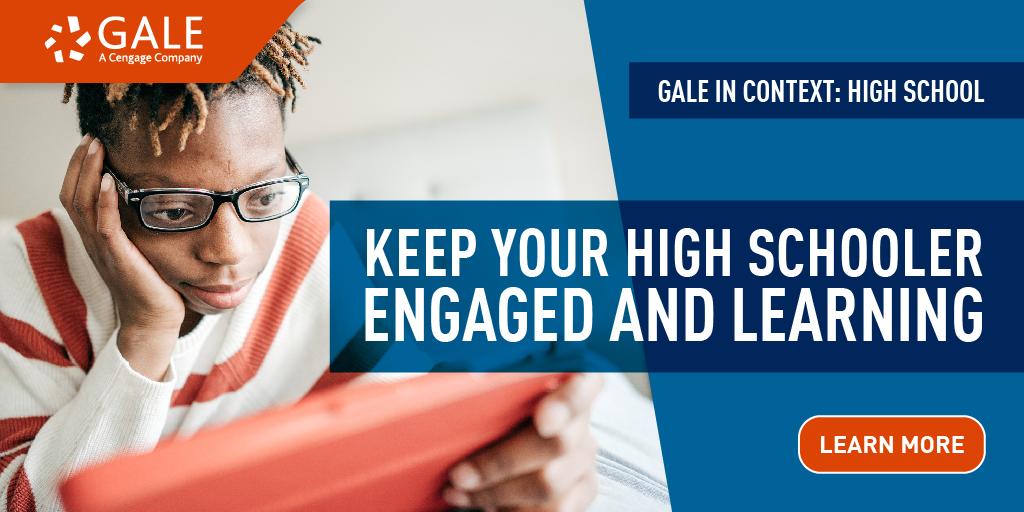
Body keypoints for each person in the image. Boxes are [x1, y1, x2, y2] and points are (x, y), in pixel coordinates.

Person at [0, 22, 669, 512]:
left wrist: (526, 460)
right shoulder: (18, 285)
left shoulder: (310, 240)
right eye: (175, 210)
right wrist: (143, 335)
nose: (230, 251)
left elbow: (417, 427)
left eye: (262, 195)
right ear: (97, 187)